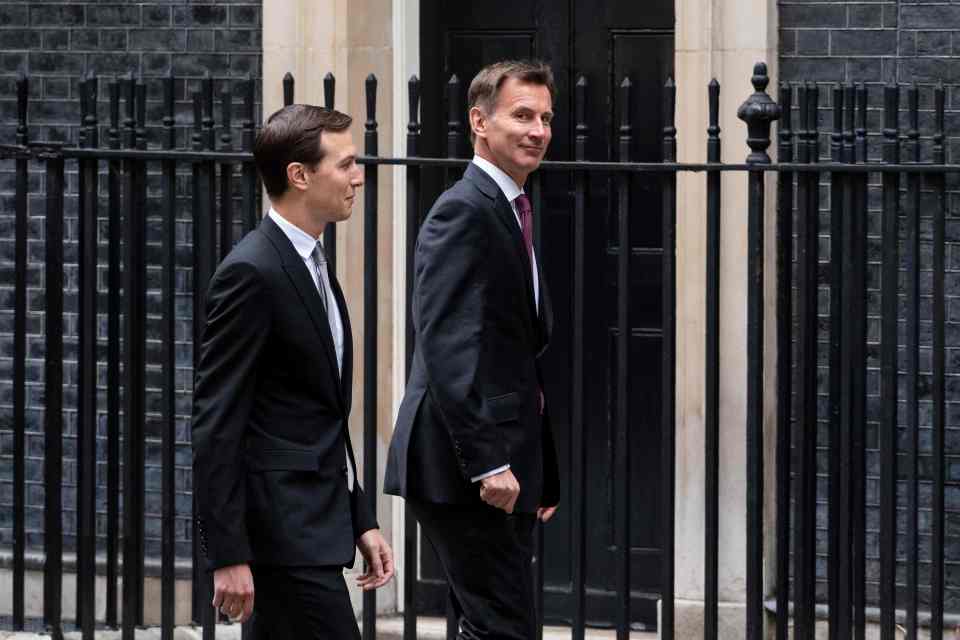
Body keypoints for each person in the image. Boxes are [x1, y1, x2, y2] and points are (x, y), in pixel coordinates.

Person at [192, 104, 394, 639]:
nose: (358, 176)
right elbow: (217, 422)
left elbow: (319, 413)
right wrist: (228, 553)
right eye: (346, 163)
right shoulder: (252, 271)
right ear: (299, 175)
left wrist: (362, 519)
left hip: (316, 527)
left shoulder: (314, 263)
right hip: (284, 537)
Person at [385, 59, 560, 639]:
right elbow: (446, 345)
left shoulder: (509, 209)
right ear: (479, 122)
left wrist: (541, 474)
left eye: (546, 118)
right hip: (465, 467)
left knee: (483, 626)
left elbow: (516, 354)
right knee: (504, 628)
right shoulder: (465, 209)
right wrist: (489, 463)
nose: (538, 130)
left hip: (500, 465)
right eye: (523, 115)